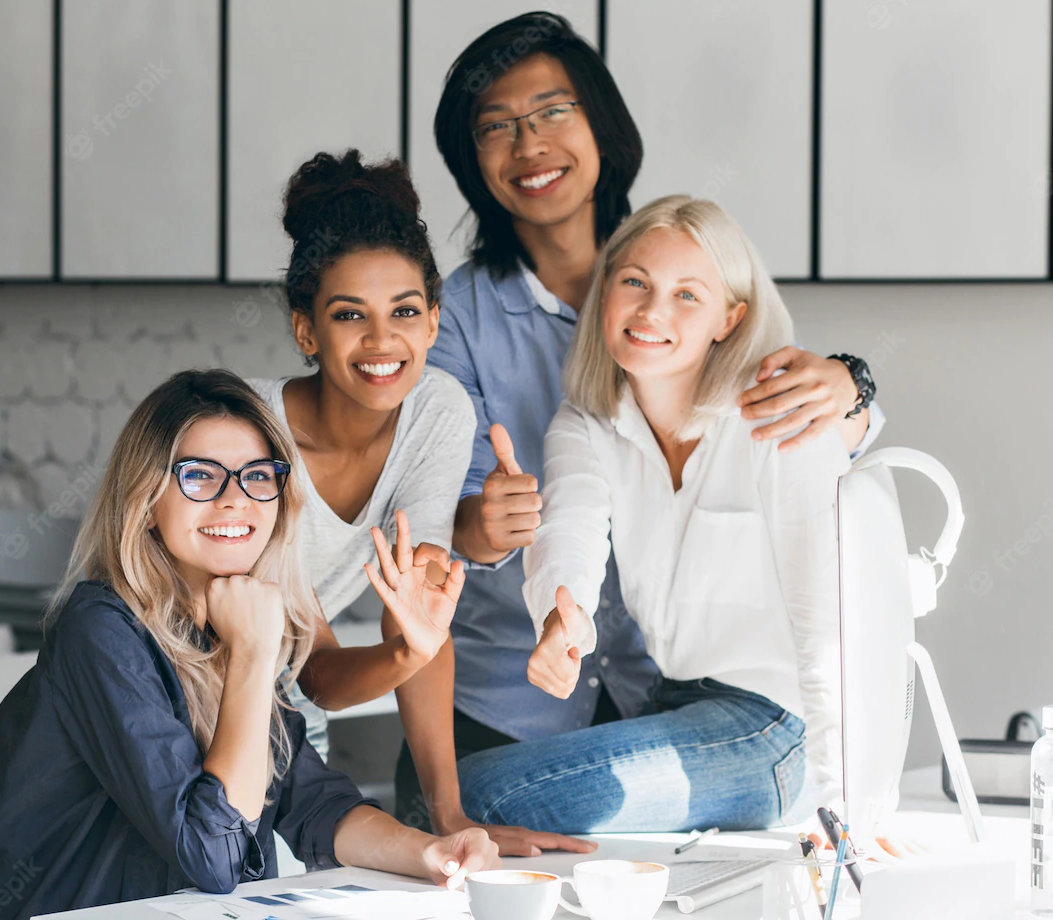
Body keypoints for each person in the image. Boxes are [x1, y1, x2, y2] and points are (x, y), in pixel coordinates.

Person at [397, 11, 883, 829]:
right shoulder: (470, 334)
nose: (530, 144)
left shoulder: (692, 278)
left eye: (553, 111)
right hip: (519, 699)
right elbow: (528, 523)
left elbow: (813, 461)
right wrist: (504, 552)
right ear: (471, 162)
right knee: (448, 818)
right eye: (497, 128)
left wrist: (855, 391)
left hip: (698, 705)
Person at [0, 370, 497, 920]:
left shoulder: (229, 619)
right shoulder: (101, 630)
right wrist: (251, 653)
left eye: (256, 476)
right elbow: (213, 855)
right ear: (146, 501)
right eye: (200, 477)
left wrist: (430, 852)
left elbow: (312, 801)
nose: (234, 500)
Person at [459, 195, 847, 831]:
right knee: (454, 788)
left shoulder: (781, 421)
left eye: (687, 295)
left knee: (485, 794)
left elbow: (829, 622)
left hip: (780, 730)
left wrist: (842, 804)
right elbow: (570, 532)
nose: (651, 311)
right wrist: (563, 623)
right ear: (606, 290)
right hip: (675, 703)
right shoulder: (586, 422)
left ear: (730, 317)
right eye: (635, 282)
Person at [246, 149, 590, 857]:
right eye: (350, 315)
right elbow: (320, 669)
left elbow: (423, 612)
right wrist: (408, 645)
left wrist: (450, 814)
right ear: (306, 329)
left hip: (281, 726)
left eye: (405, 311)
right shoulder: (247, 437)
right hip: (162, 708)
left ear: (434, 322)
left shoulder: (434, 410)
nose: (382, 341)